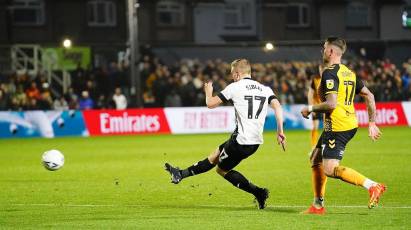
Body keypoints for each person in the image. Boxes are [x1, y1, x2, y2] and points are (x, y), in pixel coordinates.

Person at [165, 59, 286, 209]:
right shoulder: (265, 89)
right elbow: (278, 107)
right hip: (254, 142)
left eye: (232, 74)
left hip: (241, 142)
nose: (231, 77)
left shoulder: (235, 87)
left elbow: (210, 104)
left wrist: (208, 92)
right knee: (215, 155)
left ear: (237, 74)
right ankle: (180, 174)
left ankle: (259, 192)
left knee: (221, 170)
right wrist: (280, 130)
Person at [300, 37, 385, 215]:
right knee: (315, 158)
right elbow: (369, 95)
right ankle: (317, 205)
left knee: (329, 169)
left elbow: (331, 104)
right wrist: (371, 122)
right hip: (344, 123)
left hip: (338, 127)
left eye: (324, 48)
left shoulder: (330, 73)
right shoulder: (349, 73)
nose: (322, 51)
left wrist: (310, 108)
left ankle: (373, 186)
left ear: (331, 51)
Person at [307, 65, 323, 149]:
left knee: (328, 127)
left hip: (327, 106)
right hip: (317, 106)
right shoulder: (315, 80)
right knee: (315, 127)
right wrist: (311, 107)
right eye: (320, 69)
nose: (321, 71)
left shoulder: (330, 78)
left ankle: (328, 145)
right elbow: (310, 93)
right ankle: (314, 146)